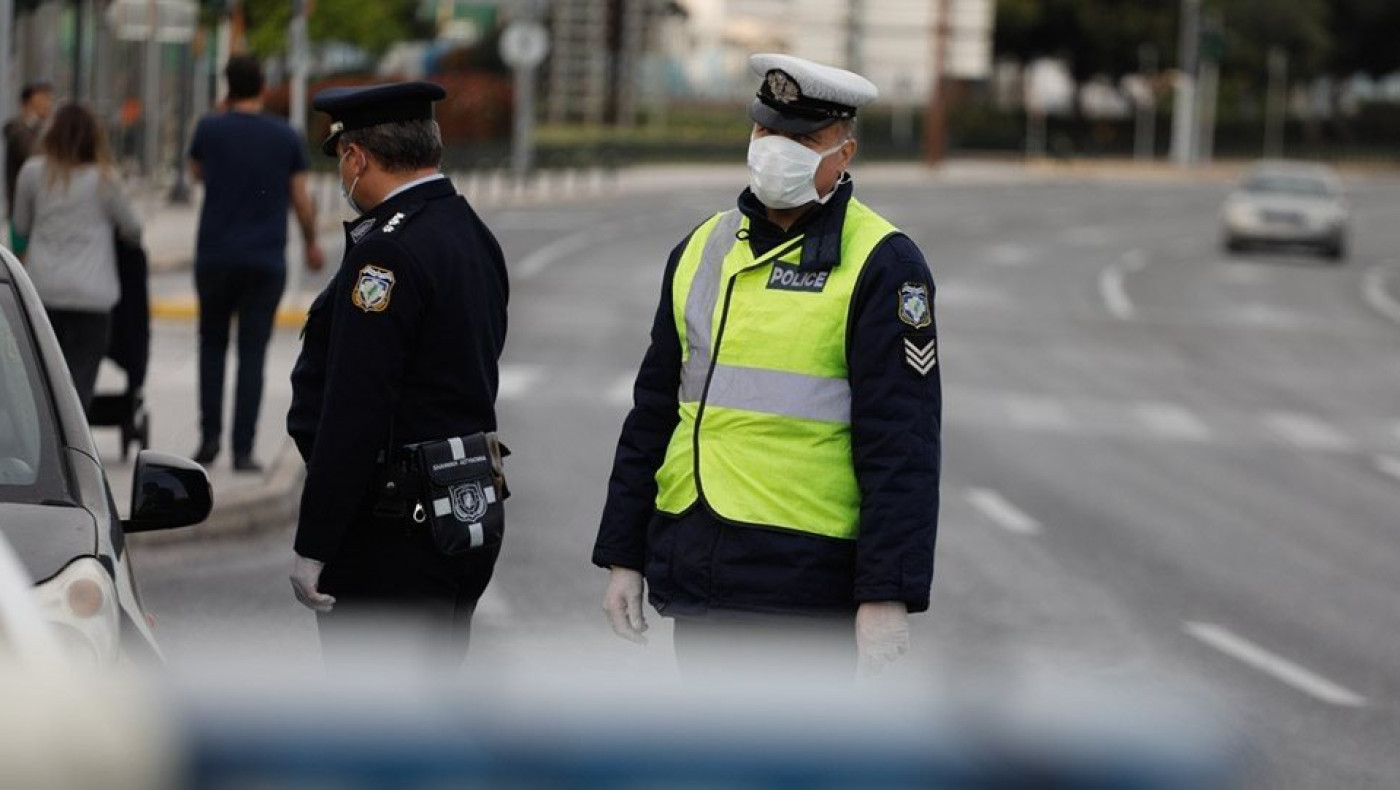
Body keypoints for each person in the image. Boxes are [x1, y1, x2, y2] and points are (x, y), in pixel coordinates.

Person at [592, 54, 941, 678]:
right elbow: (653, 412)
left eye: (803, 138)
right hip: (697, 567)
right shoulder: (702, 246)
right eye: (766, 131)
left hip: (803, 586)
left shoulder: (883, 263)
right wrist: (624, 555)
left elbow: (903, 444)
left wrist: (885, 594)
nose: (777, 149)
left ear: (845, 153)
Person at [286, 82, 510, 667]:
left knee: (376, 723)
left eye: (341, 160)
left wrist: (316, 543)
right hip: (459, 511)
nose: (342, 175)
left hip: (392, 533)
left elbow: (355, 409)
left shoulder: (385, 254)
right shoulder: (470, 232)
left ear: (357, 157)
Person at [188, 55, 324, 472]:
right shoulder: (285, 135)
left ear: (226, 86)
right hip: (265, 258)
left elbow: (196, 174)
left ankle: (208, 440)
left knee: (211, 346)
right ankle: (243, 450)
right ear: (263, 85)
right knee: (253, 354)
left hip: (214, 255)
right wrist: (311, 242)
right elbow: (300, 197)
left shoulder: (208, 128)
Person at [11, 102, 141, 413]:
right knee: (80, 379)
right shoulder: (104, 180)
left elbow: (20, 228)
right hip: (91, 296)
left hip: (42, 291)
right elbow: (134, 228)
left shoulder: (32, 174)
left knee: (42, 378)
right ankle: (74, 446)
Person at [5, 82, 54, 248]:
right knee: (22, 268)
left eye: (48, 101)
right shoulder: (19, 132)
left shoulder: (39, 131)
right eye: (40, 101)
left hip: (41, 214)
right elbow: (33, 156)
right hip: (21, 213)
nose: (46, 106)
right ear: (27, 105)